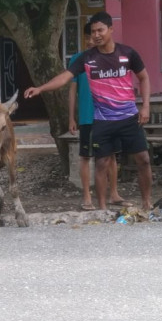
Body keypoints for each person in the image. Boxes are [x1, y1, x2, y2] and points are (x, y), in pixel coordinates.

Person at [26, 11, 153, 210]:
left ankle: (147, 202)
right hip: (102, 120)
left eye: (100, 30)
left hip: (129, 118)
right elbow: (64, 78)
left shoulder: (128, 54)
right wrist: (40, 88)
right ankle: (102, 208)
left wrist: (145, 106)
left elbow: (144, 78)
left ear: (111, 29)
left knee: (143, 159)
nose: (96, 35)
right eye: (93, 31)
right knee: (101, 163)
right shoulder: (86, 58)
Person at [68, 21, 126, 210]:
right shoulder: (77, 60)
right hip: (87, 117)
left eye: (94, 34)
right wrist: (71, 117)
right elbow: (72, 90)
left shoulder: (110, 57)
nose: (91, 39)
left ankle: (114, 193)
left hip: (109, 115)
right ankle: (86, 196)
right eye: (87, 36)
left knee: (111, 156)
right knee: (86, 156)